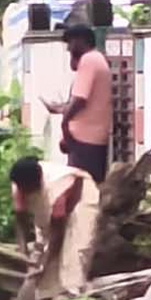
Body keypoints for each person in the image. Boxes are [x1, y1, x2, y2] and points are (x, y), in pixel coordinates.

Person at [6, 156, 100, 300]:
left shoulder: (58, 188)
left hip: (80, 200)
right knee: (41, 255)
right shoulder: (19, 185)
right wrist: (24, 250)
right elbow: (21, 218)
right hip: (51, 209)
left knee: (75, 254)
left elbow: (57, 232)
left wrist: (45, 261)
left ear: (37, 183)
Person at [44, 24, 112, 182]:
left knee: (81, 187)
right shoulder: (96, 59)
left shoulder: (89, 60)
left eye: (71, 43)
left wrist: (65, 126)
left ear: (81, 40)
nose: (68, 48)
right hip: (91, 138)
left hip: (84, 140)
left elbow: (80, 100)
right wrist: (61, 109)